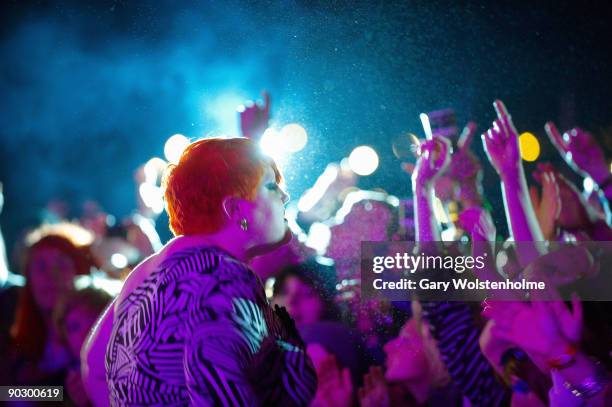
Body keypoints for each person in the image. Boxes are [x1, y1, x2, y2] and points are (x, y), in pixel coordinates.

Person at [85, 137, 316, 406]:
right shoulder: (225, 277)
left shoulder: (146, 272)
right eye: (271, 187)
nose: (285, 196)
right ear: (236, 209)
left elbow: (93, 367)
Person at [8, 223, 97, 387]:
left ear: (79, 272)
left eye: (62, 265)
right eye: (41, 267)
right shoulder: (14, 347)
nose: (51, 275)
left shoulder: (98, 338)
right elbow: (5, 393)